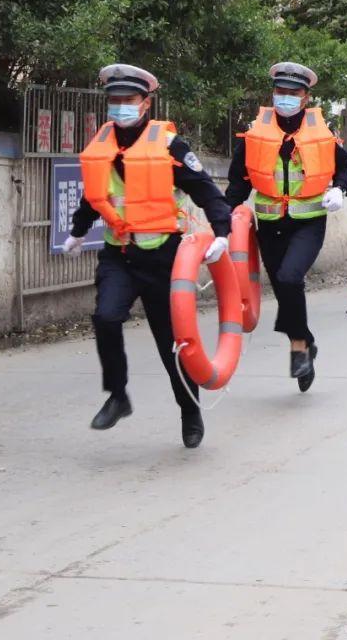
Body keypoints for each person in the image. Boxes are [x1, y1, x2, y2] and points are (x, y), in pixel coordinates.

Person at [60, 64, 231, 449]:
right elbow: (95, 196)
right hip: (120, 254)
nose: (120, 107)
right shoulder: (100, 146)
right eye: (114, 101)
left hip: (164, 258)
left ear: (146, 103)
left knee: (173, 345)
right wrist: (76, 231)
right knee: (106, 317)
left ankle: (190, 411)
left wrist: (222, 232)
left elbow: (205, 190)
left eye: (128, 100)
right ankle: (118, 396)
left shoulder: (170, 147)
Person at [225, 62, 347, 392]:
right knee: (283, 289)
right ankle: (308, 341)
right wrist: (222, 220)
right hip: (269, 224)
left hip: (308, 222)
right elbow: (239, 181)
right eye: (279, 93)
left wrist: (340, 188)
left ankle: (298, 347)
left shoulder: (321, 133)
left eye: (292, 94)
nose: (284, 99)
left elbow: (344, 166)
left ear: (305, 97)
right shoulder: (256, 134)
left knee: (289, 277)